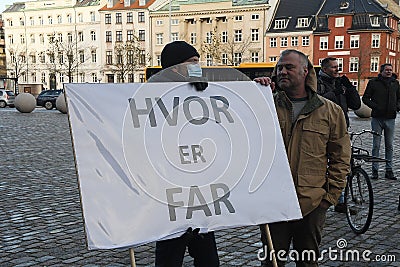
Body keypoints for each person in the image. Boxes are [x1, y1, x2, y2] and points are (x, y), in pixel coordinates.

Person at [255, 50, 351, 266]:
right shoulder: (265, 106)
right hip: (273, 204)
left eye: (289, 67)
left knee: (307, 262)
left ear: (305, 71)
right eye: (280, 67)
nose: (282, 71)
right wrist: (256, 95)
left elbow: (341, 157)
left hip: (311, 204)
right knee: (271, 262)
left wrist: (328, 198)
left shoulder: (330, 112)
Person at [151, 41, 219, 267]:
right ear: (174, 67)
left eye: (198, 61)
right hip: (170, 193)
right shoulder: (152, 93)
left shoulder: (204, 90)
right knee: (169, 259)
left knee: (209, 260)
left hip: (199, 193)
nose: (197, 66)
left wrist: (260, 87)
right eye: (192, 62)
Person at [317, 57, 361, 213]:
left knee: (341, 164)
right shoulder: (318, 83)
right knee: (323, 165)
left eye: (338, 66)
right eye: (334, 67)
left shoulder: (341, 83)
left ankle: (340, 201)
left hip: (341, 129)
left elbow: (356, 105)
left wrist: (350, 88)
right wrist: (334, 93)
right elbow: (318, 101)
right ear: (324, 69)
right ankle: (319, 199)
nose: (337, 69)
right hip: (322, 129)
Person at [362, 63, 400, 180]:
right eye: (387, 70)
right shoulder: (373, 83)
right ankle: (375, 170)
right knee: (376, 145)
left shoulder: (395, 83)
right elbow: (365, 98)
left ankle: (389, 170)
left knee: (389, 145)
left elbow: (399, 98)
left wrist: (397, 107)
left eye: (390, 70)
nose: (389, 72)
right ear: (382, 71)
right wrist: (376, 106)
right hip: (377, 118)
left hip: (390, 118)